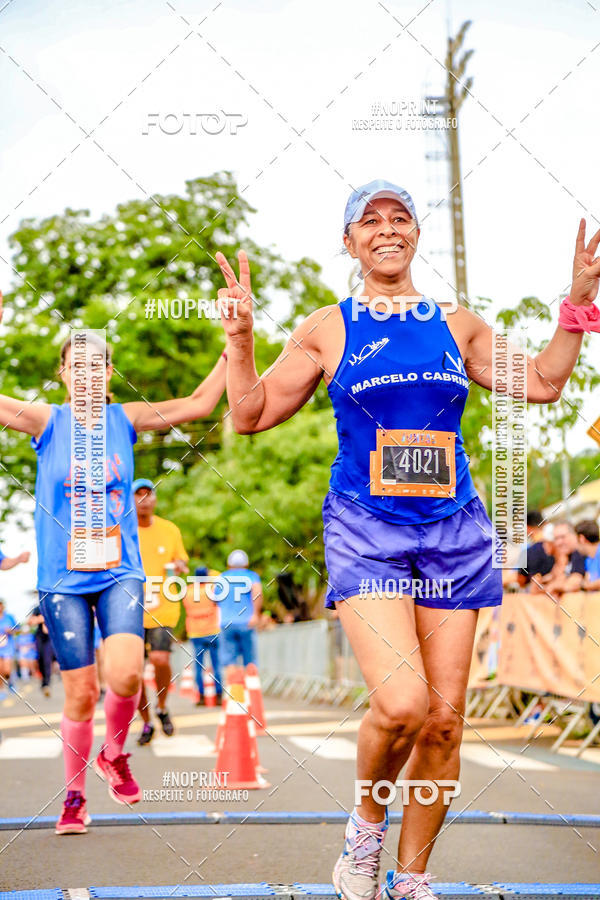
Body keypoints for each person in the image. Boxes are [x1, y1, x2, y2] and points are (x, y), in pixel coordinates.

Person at [216, 179, 600, 899]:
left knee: (446, 725)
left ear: (415, 233)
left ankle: (413, 876)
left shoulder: (457, 324)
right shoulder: (328, 325)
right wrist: (240, 341)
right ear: (350, 240)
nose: (386, 229)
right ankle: (365, 830)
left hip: (453, 530)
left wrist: (576, 300)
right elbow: (250, 414)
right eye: (370, 220)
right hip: (366, 528)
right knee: (401, 705)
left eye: (400, 217)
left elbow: (544, 382)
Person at [0, 294, 226, 834]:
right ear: (61, 373)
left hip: (120, 572)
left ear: (108, 373)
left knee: (126, 675)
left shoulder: (125, 419)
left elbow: (198, 403)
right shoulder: (45, 422)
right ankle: (74, 797)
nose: (85, 374)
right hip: (61, 580)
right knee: (80, 691)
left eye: (95, 365)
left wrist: (232, 341)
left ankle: (115, 752)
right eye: (75, 365)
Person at [134, 478, 189, 745]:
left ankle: (162, 707)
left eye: (148, 494)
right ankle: (145, 723)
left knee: (159, 660)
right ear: (131, 500)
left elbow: (181, 560)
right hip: (129, 608)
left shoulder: (170, 530)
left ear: (155, 499)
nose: (144, 500)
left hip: (162, 607)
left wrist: (180, 566)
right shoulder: (123, 530)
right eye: (138, 495)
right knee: (132, 672)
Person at [214, 550, 263, 682]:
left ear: (229, 564)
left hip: (227, 623)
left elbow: (215, 600)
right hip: (246, 622)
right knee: (250, 659)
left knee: (230, 660)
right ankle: (251, 692)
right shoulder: (251, 576)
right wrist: (255, 614)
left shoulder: (222, 578)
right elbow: (257, 592)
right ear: (246, 564)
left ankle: (235, 694)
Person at [183, 564, 223, 706]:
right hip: (212, 631)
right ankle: (218, 695)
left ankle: (200, 696)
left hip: (195, 632)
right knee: (216, 664)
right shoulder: (212, 589)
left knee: (198, 666)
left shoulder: (188, 591)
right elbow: (219, 577)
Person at [530, 521, 586, 597]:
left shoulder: (579, 552)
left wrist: (553, 586)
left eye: (563, 537)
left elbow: (573, 584)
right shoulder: (568, 556)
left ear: (574, 535)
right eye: (556, 538)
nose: (559, 542)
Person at [516, 511, 555, 588]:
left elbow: (521, 581)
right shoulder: (559, 544)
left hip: (539, 592)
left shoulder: (527, 553)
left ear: (527, 528)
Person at [28, 604, 55, 697]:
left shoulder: (53, 605)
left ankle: (46, 684)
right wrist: (39, 619)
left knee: (47, 659)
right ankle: (43, 680)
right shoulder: (37, 608)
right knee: (40, 659)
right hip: (39, 637)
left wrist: (44, 619)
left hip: (50, 637)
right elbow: (30, 621)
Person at [575, 519, 600, 590]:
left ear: (581, 539)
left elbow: (587, 585)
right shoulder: (588, 560)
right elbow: (586, 583)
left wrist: (586, 585)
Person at [0, 599, 17, 695]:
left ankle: (11, 681)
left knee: (6, 670)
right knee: (0, 669)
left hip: (8, 647)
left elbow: (17, 629)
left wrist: (10, 631)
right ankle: (1, 689)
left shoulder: (9, 617)